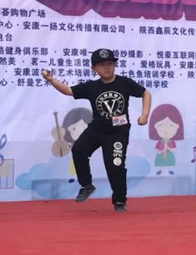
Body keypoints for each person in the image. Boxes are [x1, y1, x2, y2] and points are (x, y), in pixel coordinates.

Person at [41, 48, 151, 212]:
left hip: (118, 131)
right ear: (94, 68)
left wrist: (145, 115)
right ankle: (86, 185)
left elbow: (145, 93)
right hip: (97, 128)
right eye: (102, 65)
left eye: (110, 63)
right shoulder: (92, 87)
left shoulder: (124, 83)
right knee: (78, 150)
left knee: (115, 164)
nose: (107, 67)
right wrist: (51, 80)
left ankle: (119, 201)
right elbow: (68, 91)